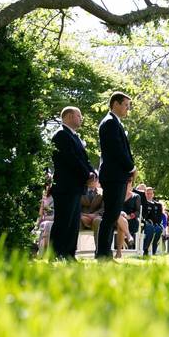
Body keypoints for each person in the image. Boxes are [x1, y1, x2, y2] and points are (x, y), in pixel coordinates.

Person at [49, 106, 96, 260]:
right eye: (78, 115)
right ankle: (56, 254)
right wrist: (86, 174)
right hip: (65, 186)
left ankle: (69, 254)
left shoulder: (74, 136)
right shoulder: (61, 135)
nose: (81, 118)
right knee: (63, 221)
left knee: (73, 222)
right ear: (68, 116)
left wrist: (92, 173)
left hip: (75, 187)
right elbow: (71, 159)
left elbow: (84, 159)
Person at [96, 92, 136, 259]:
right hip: (113, 176)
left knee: (112, 215)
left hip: (117, 175)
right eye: (126, 105)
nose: (128, 109)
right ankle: (103, 253)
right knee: (110, 215)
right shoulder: (110, 123)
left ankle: (105, 252)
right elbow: (117, 150)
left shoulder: (115, 123)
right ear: (116, 104)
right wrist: (131, 168)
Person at [141, 186, 164, 256]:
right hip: (145, 223)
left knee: (158, 229)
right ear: (145, 194)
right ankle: (145, 249)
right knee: (149, 228)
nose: (149, 195)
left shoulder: (158, 205)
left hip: (155, 223)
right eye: (147, 193)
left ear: (153, 194)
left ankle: (154, 250)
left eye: (151, 193)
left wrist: (156, 223)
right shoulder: (142, 203)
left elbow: (159, 217)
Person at [35, 184, 55, 257]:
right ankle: (43, 252)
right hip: (46, 220)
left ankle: (49, 252)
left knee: (48, 225)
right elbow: (41, 213)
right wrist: (37, 224)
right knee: (46, 225)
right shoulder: (45, 197)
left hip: (56, 220)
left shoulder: (61, 197)